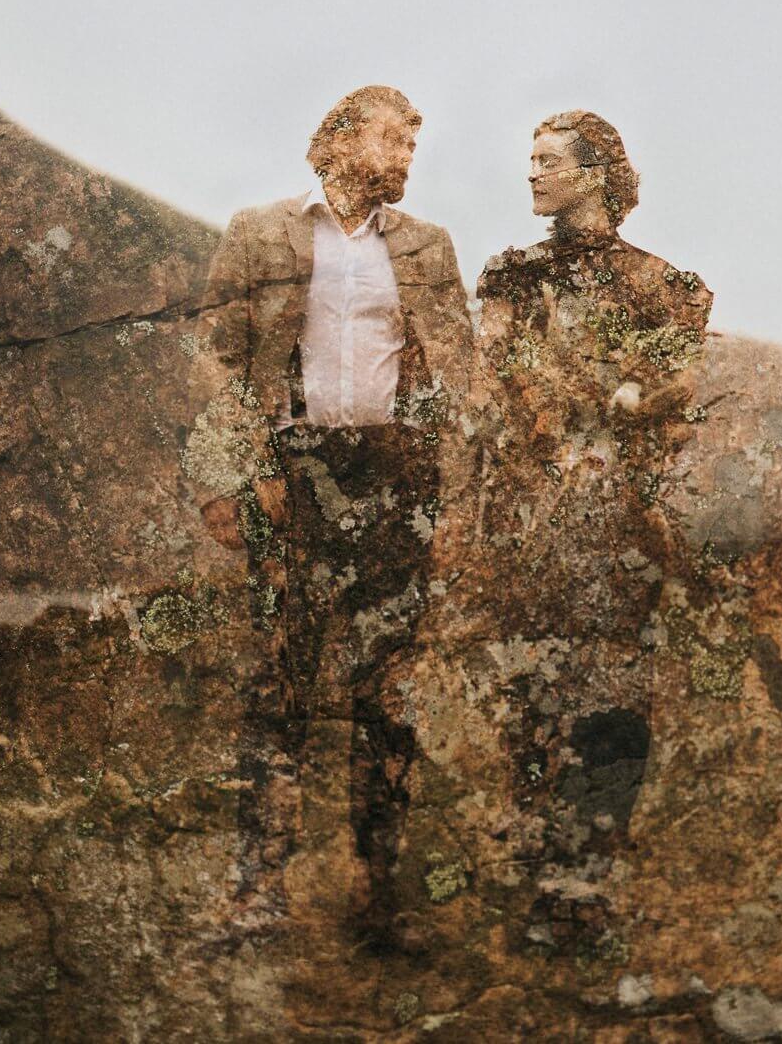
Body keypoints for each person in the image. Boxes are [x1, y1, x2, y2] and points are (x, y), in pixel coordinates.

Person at [195, 86, 473, 950]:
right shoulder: (258, 232)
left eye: (413, 147)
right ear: (342, 141)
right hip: (294, 477)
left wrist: (454, 494)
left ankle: (379, 901)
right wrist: (229, 479)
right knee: (278, 688)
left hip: (394, 482)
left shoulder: (428, 246)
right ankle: (257, 897)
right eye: (394, 140)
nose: (405, 158)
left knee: (388, 696)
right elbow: (215, 360)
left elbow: (459, 372)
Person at [461, 110, 712, 955]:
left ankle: (591, 892)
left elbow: (671, 397)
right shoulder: (511, 277)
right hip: (530, 521)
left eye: (547, 161)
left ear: (595, 173)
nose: (531, 175)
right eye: (527, 160)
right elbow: (497, 379)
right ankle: (545, 891)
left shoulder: (666, 288)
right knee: (532, 704)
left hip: (619, 529)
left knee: (612, 711)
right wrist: (585, 414)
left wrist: (634, 407)